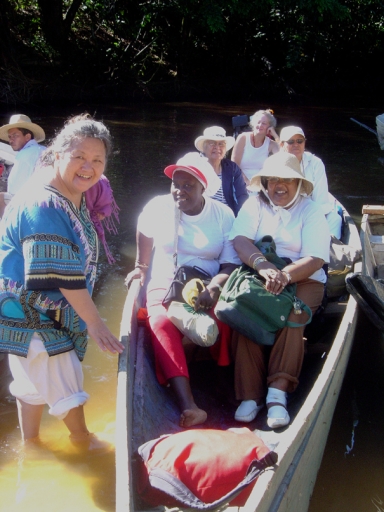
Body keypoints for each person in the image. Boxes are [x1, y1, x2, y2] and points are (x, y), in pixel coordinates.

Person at [0, 114, 124, 448]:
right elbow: (61, 276)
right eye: (79, 157)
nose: (89, 167)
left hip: (19, 310)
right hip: (38, 313)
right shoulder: (45, 204)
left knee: (30, 382)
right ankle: (84, 443)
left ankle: (31, 446)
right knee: (64, 379)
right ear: (57, 155)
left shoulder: (67, 189)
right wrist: (96, 325)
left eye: (97, 159)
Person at [125, 152, 241, 428]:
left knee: (225, 316)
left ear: (204, 188)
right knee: (160, 322)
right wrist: (141, 266)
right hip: (167, 280)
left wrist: (213, 288)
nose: (180, 191)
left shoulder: (222, 214)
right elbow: (145, 229)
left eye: (188, 185)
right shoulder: (159, 207)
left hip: (207, 283)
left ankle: (225, 381)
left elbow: (229, 264)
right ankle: (188, 404)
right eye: (176, 184)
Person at [229, 152, 329, 429]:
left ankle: (278, 391)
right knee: (246, 311)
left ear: (298, 185)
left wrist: (285, 275)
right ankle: (250, 394)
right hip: (262, 273)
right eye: (273, 180)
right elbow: (240, 240)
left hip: (304, 278)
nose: (278, 186)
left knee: (293, 313)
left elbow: (316, 259)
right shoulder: (255, 204)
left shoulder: (311, 210)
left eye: (286, 180)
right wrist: (263, 266)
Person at [279, 126, 342, 238]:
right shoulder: (274, 163)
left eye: (300, 141)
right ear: (282, 145)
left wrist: (311, 222)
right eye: (291, 141)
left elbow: (320, 199)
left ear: (304, 143)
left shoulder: (316, 163)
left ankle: (329, 250)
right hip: (284, 214)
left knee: (335, 219)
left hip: (311, 211)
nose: (296, 144)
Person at [194, 126, 248, 215]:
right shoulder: (196, 166)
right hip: (202, 215)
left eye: (221, 144)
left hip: (226, 216)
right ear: (204, 147)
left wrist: (241, 217)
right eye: (212, 143)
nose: (217, 147)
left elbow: (241, 196)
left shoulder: (232, 168)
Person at [0, 114, 45, 218]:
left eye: (15, 135)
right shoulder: (42, 149)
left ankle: (5, 229)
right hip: (46, 198)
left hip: (32, 203)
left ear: (27, 136)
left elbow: (14, 190)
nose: (11, 140)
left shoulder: (24, 155)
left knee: (1, 198)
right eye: (10, 137)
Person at [231, 109, 279, 185]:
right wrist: (246, 182)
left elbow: (284, 157)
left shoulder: (271, 144)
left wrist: (275, 135)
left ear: (270, 127)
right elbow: (234, 165)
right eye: (258, 122)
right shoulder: (243, 138)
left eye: (264, 123)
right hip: (239, 180)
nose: (260, 125)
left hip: (260, 183)